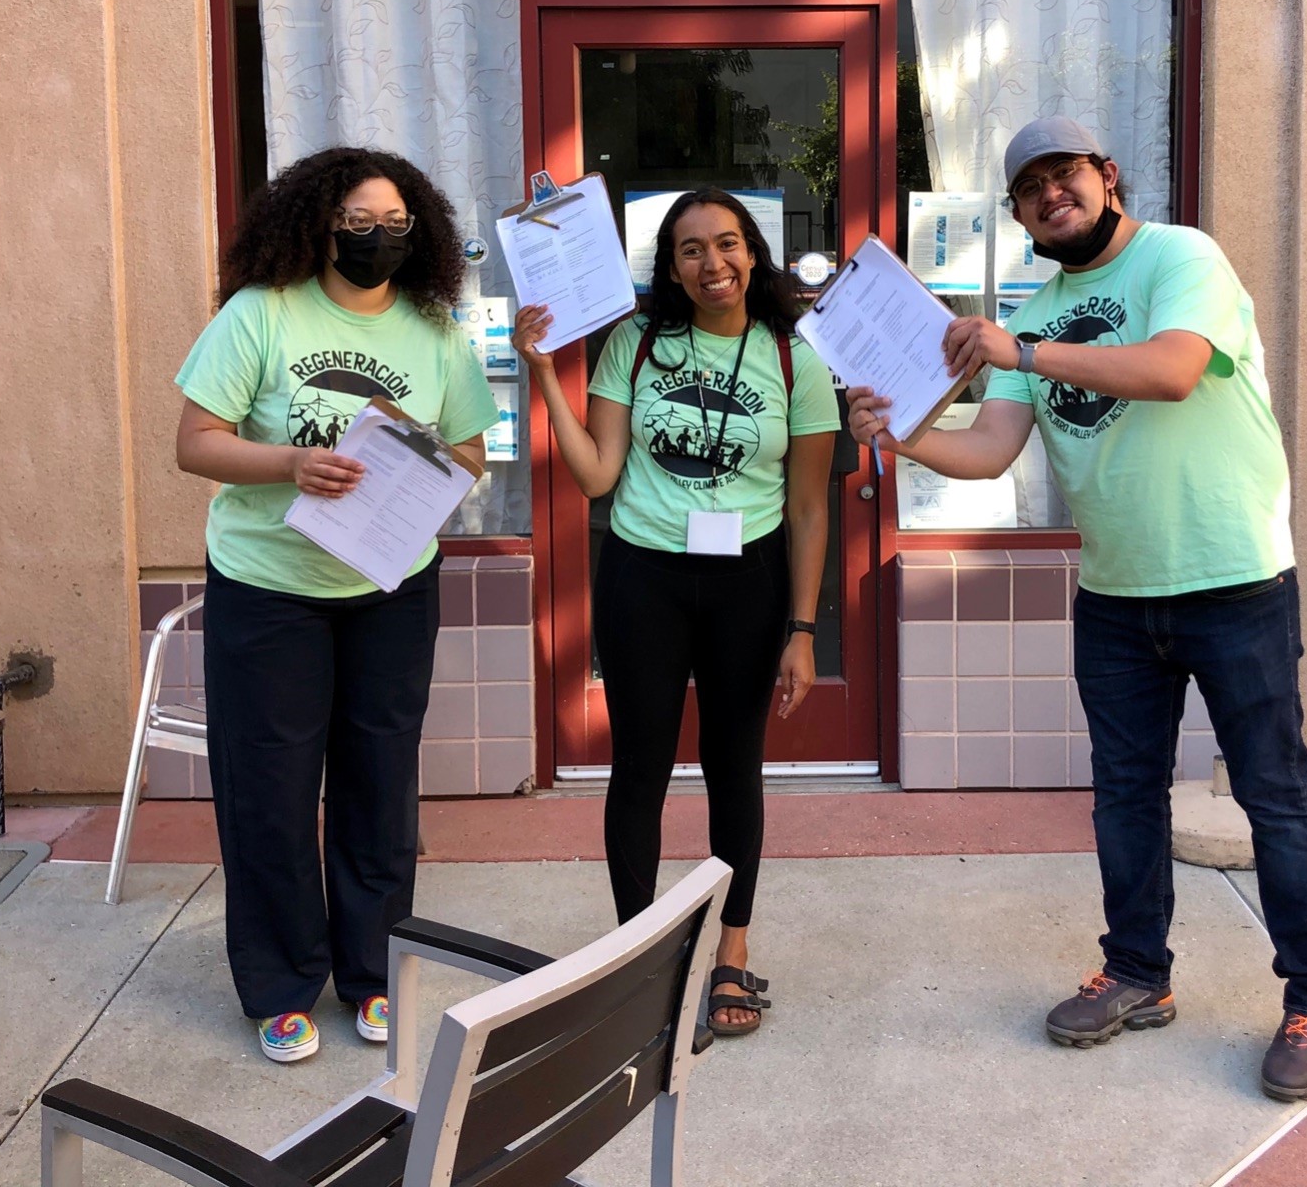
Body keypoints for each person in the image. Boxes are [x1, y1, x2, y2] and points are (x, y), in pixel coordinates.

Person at [846, 117, 1307, 1102]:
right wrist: (898, 437)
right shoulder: (1036, 308)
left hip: (1232, 581)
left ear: (1106, 178)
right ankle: (1135, 974)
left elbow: (1168, 369)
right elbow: (990, 450)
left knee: (1273, 796)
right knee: (1123, 799)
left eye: (1062, 174)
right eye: (1028, 186)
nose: (1048, 194)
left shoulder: (1178, 257)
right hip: (1116, 597)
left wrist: (1023, 353)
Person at [174, 146, 497, 1064]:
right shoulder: (261, 314)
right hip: (271, 589)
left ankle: (373, 974)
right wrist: (291, 463)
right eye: (360, 222)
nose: (378, 238)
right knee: (270, 792)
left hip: (388, 586)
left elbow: (472, 453)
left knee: (380, 786)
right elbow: (195, 443)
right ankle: (281, 985)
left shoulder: (433, 332)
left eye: (396, 223)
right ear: (317, 223)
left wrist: (420, 464)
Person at [512, 188, 839, 1037]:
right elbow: (594, 476)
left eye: (726, 244)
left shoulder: (796, 357)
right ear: (670, 267)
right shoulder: (636, 342)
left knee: (736, 768)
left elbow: (809, 510)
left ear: (753, 253)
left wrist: (802, 630)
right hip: (644, 579)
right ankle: (636, 960)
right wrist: (545, 371)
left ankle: (730, 954)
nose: (712, 263)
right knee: (640, 769)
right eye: (690, 250)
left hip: (749, 581)